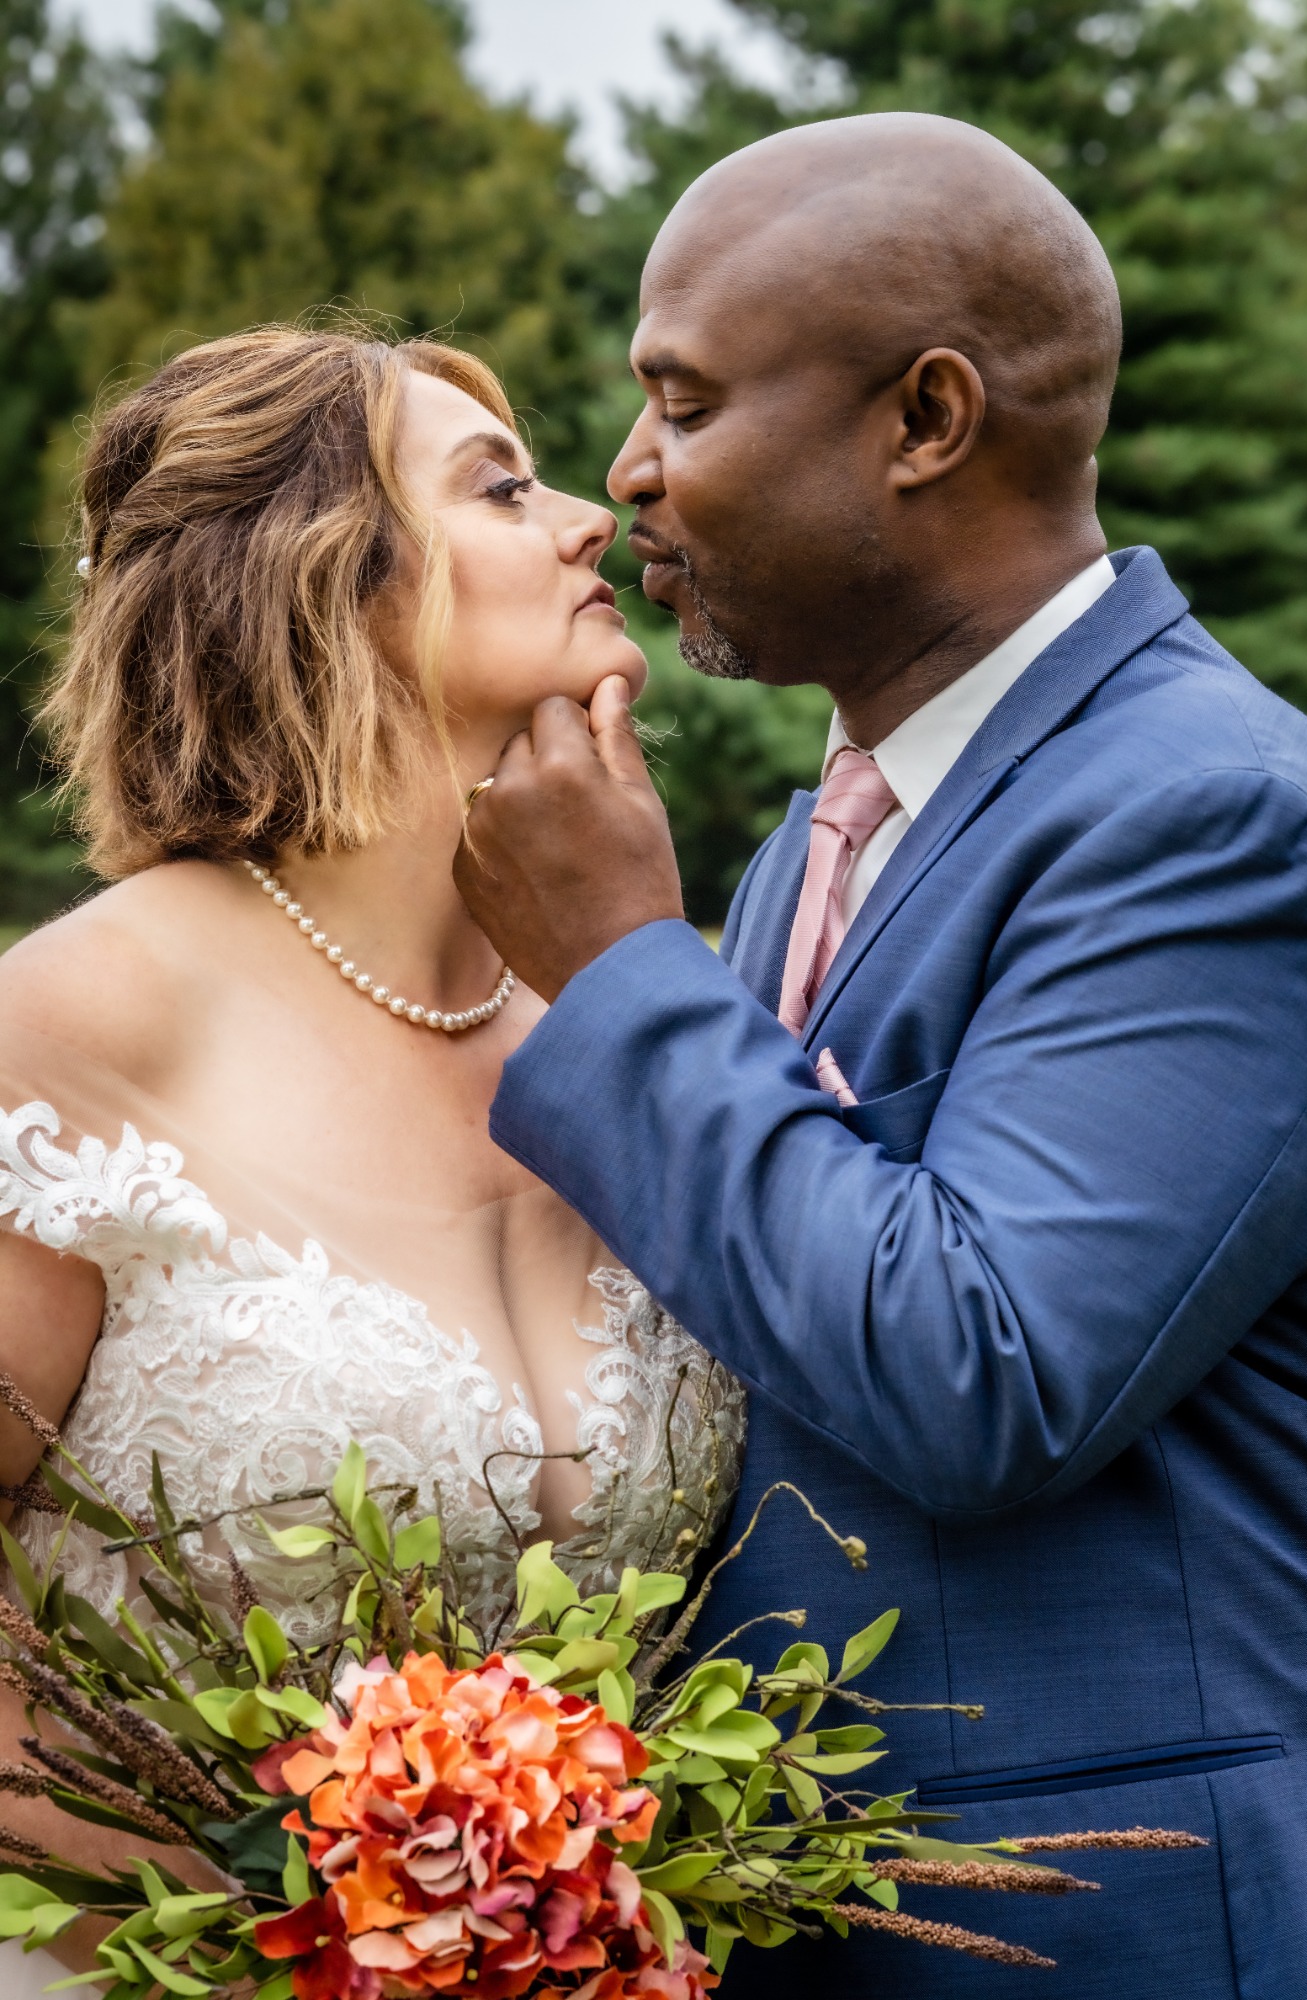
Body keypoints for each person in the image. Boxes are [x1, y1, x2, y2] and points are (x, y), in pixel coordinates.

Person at [454, 113, 1307, 1997]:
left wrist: (618, 970)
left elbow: (979, 1372)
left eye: (685, 404)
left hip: (1098, 1928)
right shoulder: (826, 836)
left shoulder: (1217, 820)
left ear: (924, 420)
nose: (627, 475)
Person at [0, 325, 746, 1992]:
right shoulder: (77, 1023)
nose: (591, 518)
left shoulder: (620, 1023)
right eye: (502, 489)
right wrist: (293, 1944)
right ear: (319, 578)